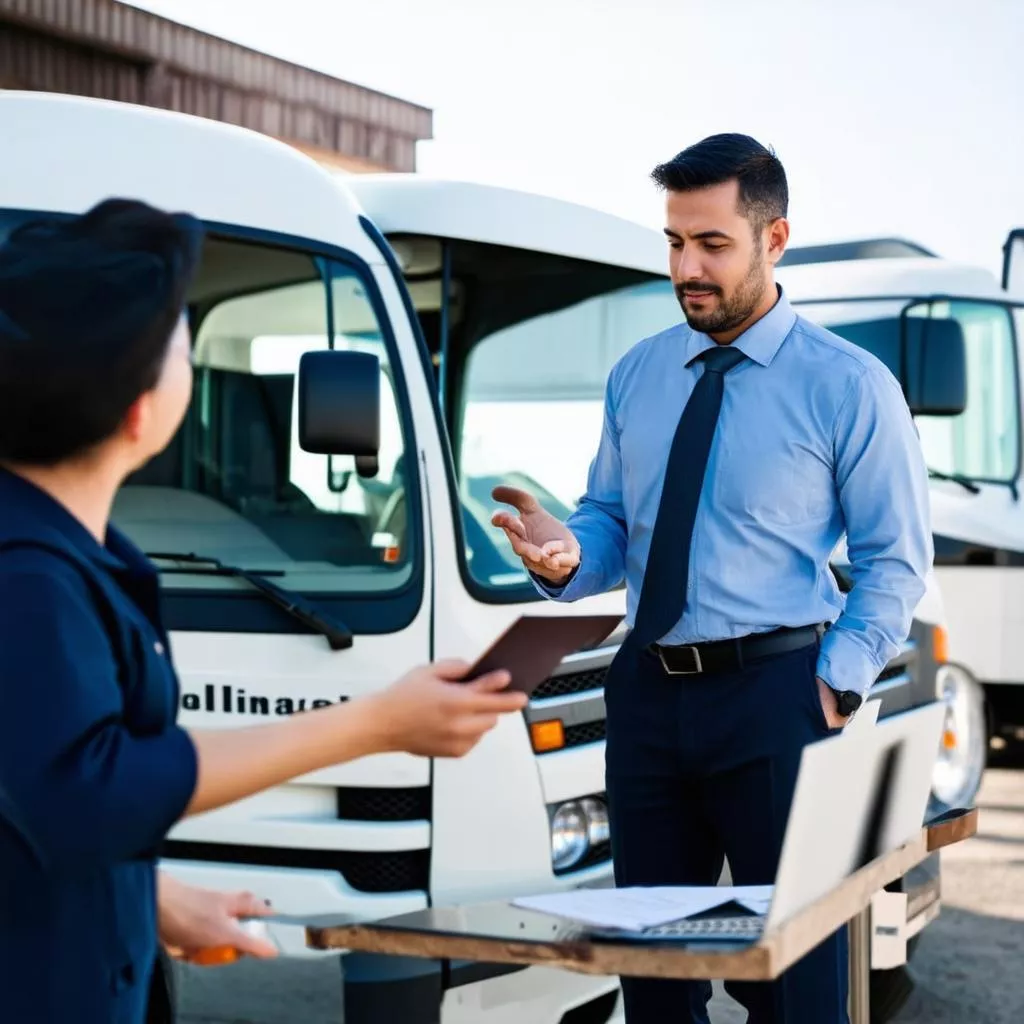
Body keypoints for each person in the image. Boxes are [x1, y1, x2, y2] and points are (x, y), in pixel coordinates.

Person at [0, 199, 527, 1024]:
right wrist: (373, 725)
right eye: (183, 344)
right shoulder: (28, 573)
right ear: (138, 410)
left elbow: (24, 799)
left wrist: (152, 901)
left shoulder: (58, 550)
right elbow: (89, 787)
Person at [491, 134, 931, 1024]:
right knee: (652, 975)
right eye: (673, 242)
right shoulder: (638, 375)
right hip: (647, 699)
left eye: (712, 245)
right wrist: (569, 555)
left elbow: (895, 562)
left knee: (794, 983)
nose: (686, 267)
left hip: (779, 700)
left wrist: (832, 685)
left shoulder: (849, 387)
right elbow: (612, 519)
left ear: (775, 241)